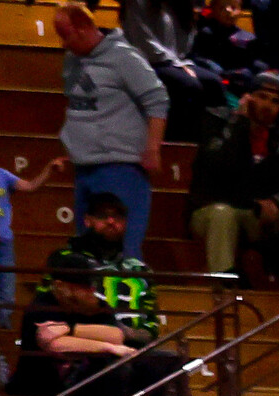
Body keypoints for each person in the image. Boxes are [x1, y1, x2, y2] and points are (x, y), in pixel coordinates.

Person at [53, 3, 166, 260]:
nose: (62, 44)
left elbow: (157, 99)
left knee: (122, 252)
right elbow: (79, 106)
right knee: (85, 252)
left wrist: (152, 148)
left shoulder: (124, 57)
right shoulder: (73, 60)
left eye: (65, 35)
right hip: (85, 169)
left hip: (120, 169)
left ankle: (130, 300)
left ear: (82, 29)